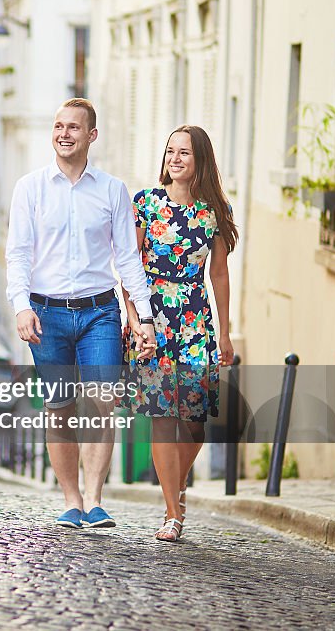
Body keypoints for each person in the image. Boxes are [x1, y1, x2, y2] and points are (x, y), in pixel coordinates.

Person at [6, 98, 156, 530]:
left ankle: (94, 499)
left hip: (99, 313)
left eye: (74, 127)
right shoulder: (30, 188)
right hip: (45, 313)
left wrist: (142, 317)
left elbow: (128, 259)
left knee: (102, 402)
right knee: (59, 408)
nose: (64, 133)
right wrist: (21, 307)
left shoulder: (112, 190)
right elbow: (17, 254)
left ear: (91, 136)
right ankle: (71, 500)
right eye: (58, 126)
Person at [123, 125, 237, 543]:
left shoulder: (213, 213)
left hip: (193, 318)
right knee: (162, 416)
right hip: (153, 316)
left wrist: (225, 334)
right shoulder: (146, 203)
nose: (175, 158)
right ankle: (173, 512)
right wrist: (135, 320)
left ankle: (177, 482)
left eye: (184, 152)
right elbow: (129, 265)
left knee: (193, 423)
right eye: (170, 150)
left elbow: (220, 275)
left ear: (199, 159)